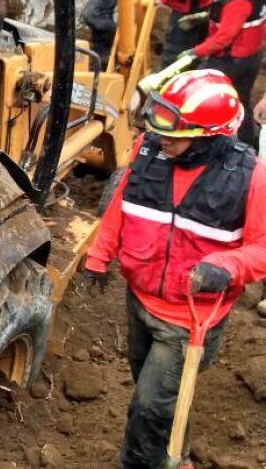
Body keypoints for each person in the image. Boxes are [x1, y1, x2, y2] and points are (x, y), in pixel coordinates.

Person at [79, 69, 266, 469]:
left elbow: (263, 248)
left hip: (190, 320)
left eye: (175, 135)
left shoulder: (251, 177)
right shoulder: (150, 153)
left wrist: (227, 265)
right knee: (159, 399)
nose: (163, 140)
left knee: (149, 407)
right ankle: (174, 453)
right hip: (140, 302)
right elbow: (122, 209)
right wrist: (99, 256)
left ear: (210, 136)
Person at [185, 0, 266, 145]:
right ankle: (246, 142)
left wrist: (195, 52)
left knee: (202, 97)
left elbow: (223, 38)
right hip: (252, 57)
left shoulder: (239, 3)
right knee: (241, 99)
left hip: (229, 62)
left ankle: (206, 142)